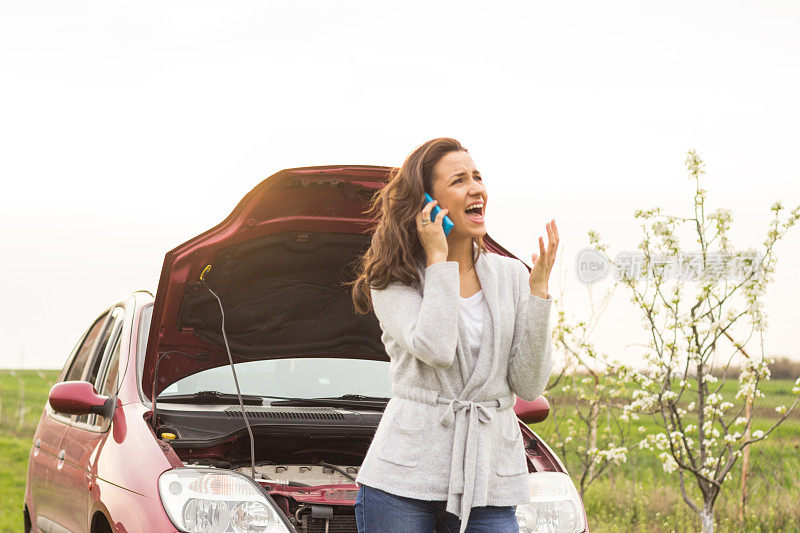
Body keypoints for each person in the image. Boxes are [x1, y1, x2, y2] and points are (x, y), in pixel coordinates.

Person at [349, 137, 559, 533]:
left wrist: (539, 295)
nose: (477, 188)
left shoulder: (513, 277)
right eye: (460, 180)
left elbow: (529, 385)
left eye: (478, 177)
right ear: (429, 203)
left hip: (490, 481)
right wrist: (438, 259)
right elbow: (437, 348)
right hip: (402, 482)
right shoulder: (394, 281)